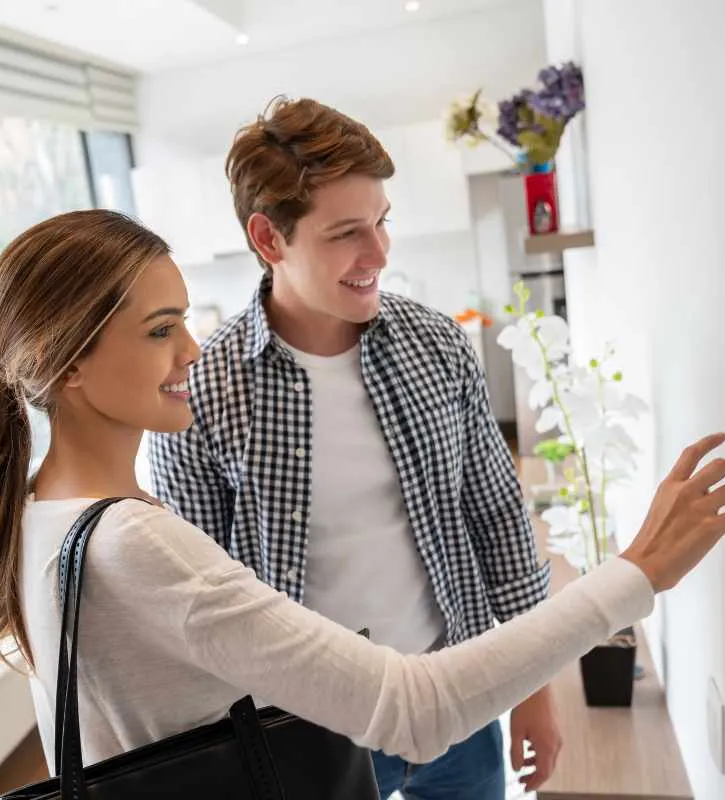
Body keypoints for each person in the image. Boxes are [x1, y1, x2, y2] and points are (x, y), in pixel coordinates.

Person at [0, 209, 725, 789]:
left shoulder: (37, 516)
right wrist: (636, 573)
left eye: (184, 321)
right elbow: (413, 707)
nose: (191, 349)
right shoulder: (137, 547)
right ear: (67, 364)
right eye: (160, 330)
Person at [147, 96, 560, 797]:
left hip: (453, 693)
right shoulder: (203, 389)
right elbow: (196, 606)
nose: (379, 253)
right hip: (302, 729)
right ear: (269, 239)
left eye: (382, 222)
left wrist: (535, 689)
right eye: (346, 234)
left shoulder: (437, 343)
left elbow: (498, 517)